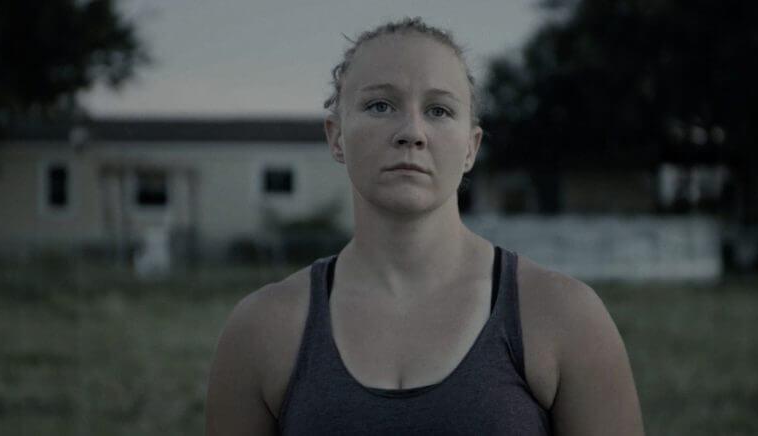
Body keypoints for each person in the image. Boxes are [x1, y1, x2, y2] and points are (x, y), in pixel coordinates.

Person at [206, 17, 644, 435]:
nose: (411, 132)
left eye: (438, 110)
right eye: (380, 105)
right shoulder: (261, 329)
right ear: (336, 136)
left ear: (471, 148)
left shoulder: (564, 317)